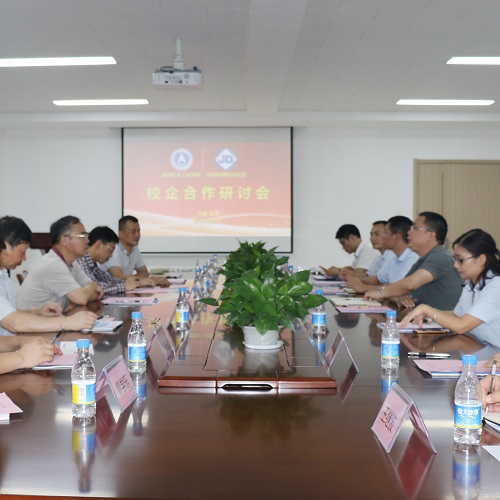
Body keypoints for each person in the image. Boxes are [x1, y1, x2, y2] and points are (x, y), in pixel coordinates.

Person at [400, 228, 500, 345]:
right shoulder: (470, 283)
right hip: (476, 346)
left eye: (460, 260)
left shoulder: (496, 286)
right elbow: (457, 314)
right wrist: (429, 314)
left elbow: (461, 326)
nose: (455, 265)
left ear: (481, 260)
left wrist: (426, 309)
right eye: (455, 259)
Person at [0, 216, 96, 335]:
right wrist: (68, 322)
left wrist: (37, 312)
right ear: (6, 245)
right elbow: (14, 323)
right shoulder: (52, 264)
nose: (24, 258)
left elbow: (9, 314)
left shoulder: (3, 275)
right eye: (22, 251)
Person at [364, 211, 462, 310]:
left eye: (415, 228)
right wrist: (398, 298)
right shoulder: (422, 260)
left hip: (442, 318)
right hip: (424, 317)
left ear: (430, 236)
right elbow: (401, 288)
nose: (408, 232)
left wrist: (380, 293)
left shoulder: (439, 257)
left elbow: (410, 285)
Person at [17, 216, 103, 311]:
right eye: (82, 236)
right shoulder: (53, 264)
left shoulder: (72, 262)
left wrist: (88, 290)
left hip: (53, 318)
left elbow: (97, 293)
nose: (88, 241)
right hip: (33, 319)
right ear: (64, 240)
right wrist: (92, 286)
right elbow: (82, 298)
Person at [347, 216, 419, 293]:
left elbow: (398, 288)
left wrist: (364, 288)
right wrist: (357, 280)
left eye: (385, 233)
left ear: (396, 236)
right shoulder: (394, 257)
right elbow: (378, 279)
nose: (382, 237)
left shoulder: (413, 258)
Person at [78, 226, 155, 295]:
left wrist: (137, 283)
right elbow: (96, 289)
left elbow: (109, 281)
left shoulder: (93, 266)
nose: (111, 255)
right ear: (99, 244)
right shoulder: (81, 261)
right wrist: (124, 286)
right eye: (111, 250)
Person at [101, 215, 169, 286]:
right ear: (121, 234)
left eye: (138, 231)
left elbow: (144, 272)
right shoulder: (113, 249)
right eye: (133, 232)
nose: (137, 235)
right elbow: (118, 277)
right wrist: (144, 280)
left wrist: (140, 280)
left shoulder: (134, 248)